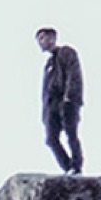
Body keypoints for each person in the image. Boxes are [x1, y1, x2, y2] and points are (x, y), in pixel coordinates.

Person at [36, 27, 84, 173]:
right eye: (39, 39)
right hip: (52, 105)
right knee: (51, 138)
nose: (41, 42)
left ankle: (76, 167)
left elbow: (74, 74)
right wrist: (45, 114)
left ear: (52, 38)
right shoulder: (49, 64)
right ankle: (68, 167)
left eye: (43, 37)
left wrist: (70, 98)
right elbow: (45, 92)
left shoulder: (66, 52)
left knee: (71, 133)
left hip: (67, 100)